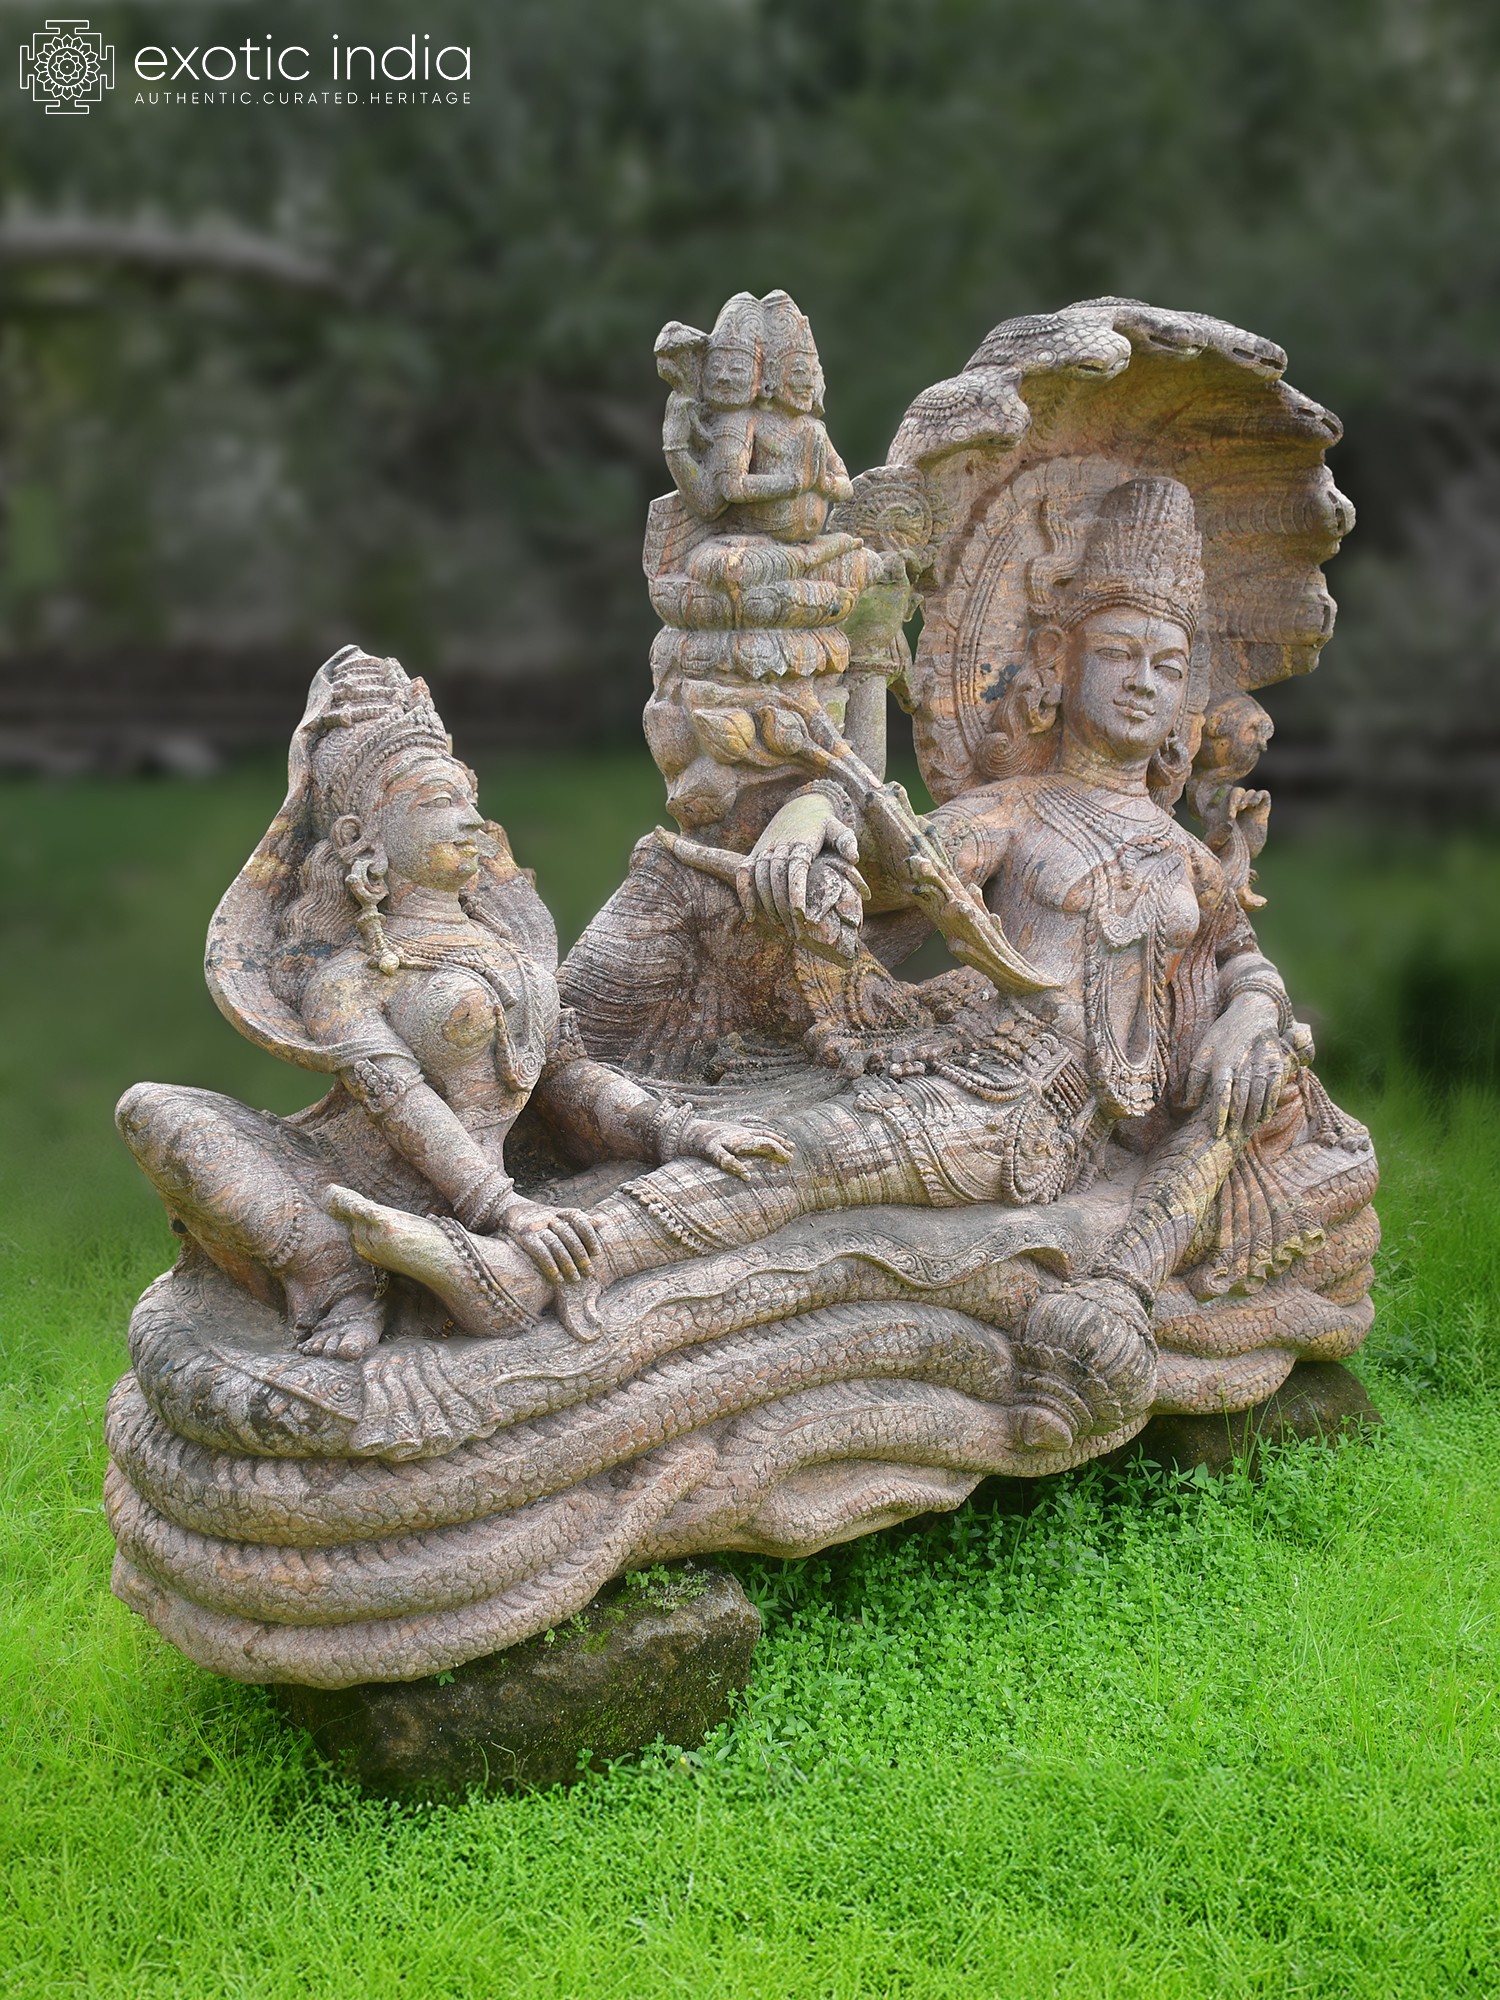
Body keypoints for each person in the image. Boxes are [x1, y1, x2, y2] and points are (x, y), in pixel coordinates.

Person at [332, 481, 1374, 1448]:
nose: (1143, 681)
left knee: (791, 1165)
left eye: (1166, 665)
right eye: (1119, 653)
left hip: (1039, 1125)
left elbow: (1239, 954)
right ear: (1059, 662)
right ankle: (525, 1237)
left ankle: (525, 1269)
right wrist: (811, 810)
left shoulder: (1187, 855)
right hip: (967, 1062)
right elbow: (892, 860)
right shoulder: (1015, 811)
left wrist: (1251, 1010)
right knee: (773, 1148)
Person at [116, 648, 785, 1360]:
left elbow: (563, 1077)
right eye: (438, 803)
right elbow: (402, 1107)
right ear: (360, 839)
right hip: (346, 1187)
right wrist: (506, 1210)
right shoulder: (347, 977)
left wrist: (676, 1131)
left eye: (470, 798)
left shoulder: (511, 950)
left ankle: (437, 1259)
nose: (473, 822)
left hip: (482, 1192)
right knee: (153, 1110)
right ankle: (341, 1281)